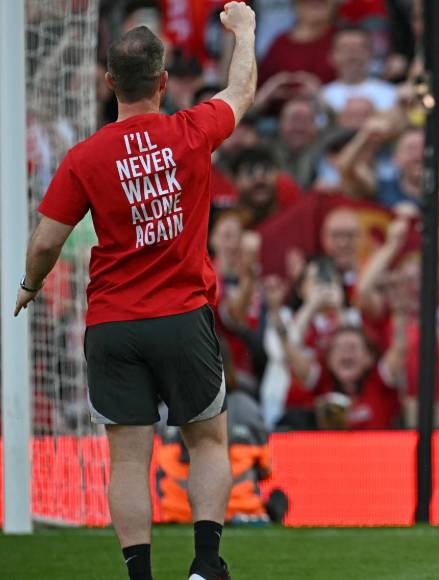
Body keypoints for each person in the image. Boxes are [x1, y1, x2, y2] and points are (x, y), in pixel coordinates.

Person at [13, 4, 256, 580]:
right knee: (208, 441)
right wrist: (244, 31)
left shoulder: (85, 157)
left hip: (113, 322)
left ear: (109, 83)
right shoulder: (191, 131)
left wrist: (30, 284)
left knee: (126, 455)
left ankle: (140, 575)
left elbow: (47, 240)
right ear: (164, 81)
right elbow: (241, 90)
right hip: (181, 314)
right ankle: (204, 565)